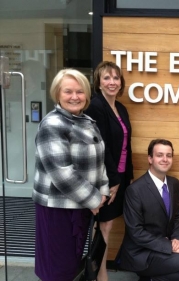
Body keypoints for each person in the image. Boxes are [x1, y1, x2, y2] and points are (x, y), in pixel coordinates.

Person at [32, 69, 109, 281]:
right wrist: (94, 199)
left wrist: (102, 193)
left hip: (81, 206)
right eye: (68, 91)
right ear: (57, 94)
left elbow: (99, 161)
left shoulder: (86, 121)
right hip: (57, 210)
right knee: (58, 268)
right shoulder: (52, 125)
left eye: (80, 91)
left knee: (73, 266)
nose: (75, 97)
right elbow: (62, 174)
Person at [118, 139, 179, 281]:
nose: (165, 159)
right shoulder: (135, 190)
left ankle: (151, 278)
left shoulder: (174, 184)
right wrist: (168, 245)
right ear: (150, 159)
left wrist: (176, 239)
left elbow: (176, 216)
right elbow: (135, 231)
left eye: (169, 155)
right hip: (142, 253)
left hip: (163, 248)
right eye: (159, 155)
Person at [85, 61, 133, 281]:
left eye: (116, 78)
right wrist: (113, 181)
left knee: (108, 225)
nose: (112, 82)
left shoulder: (120, 108)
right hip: (105, 178)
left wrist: (127, 178)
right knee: (103, 226)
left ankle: (98, 271)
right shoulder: (96, 106)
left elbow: (126, 145)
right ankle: (99, 274)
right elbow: (101, 147)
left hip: (120, 176)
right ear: (99, 82)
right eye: (107, 78)